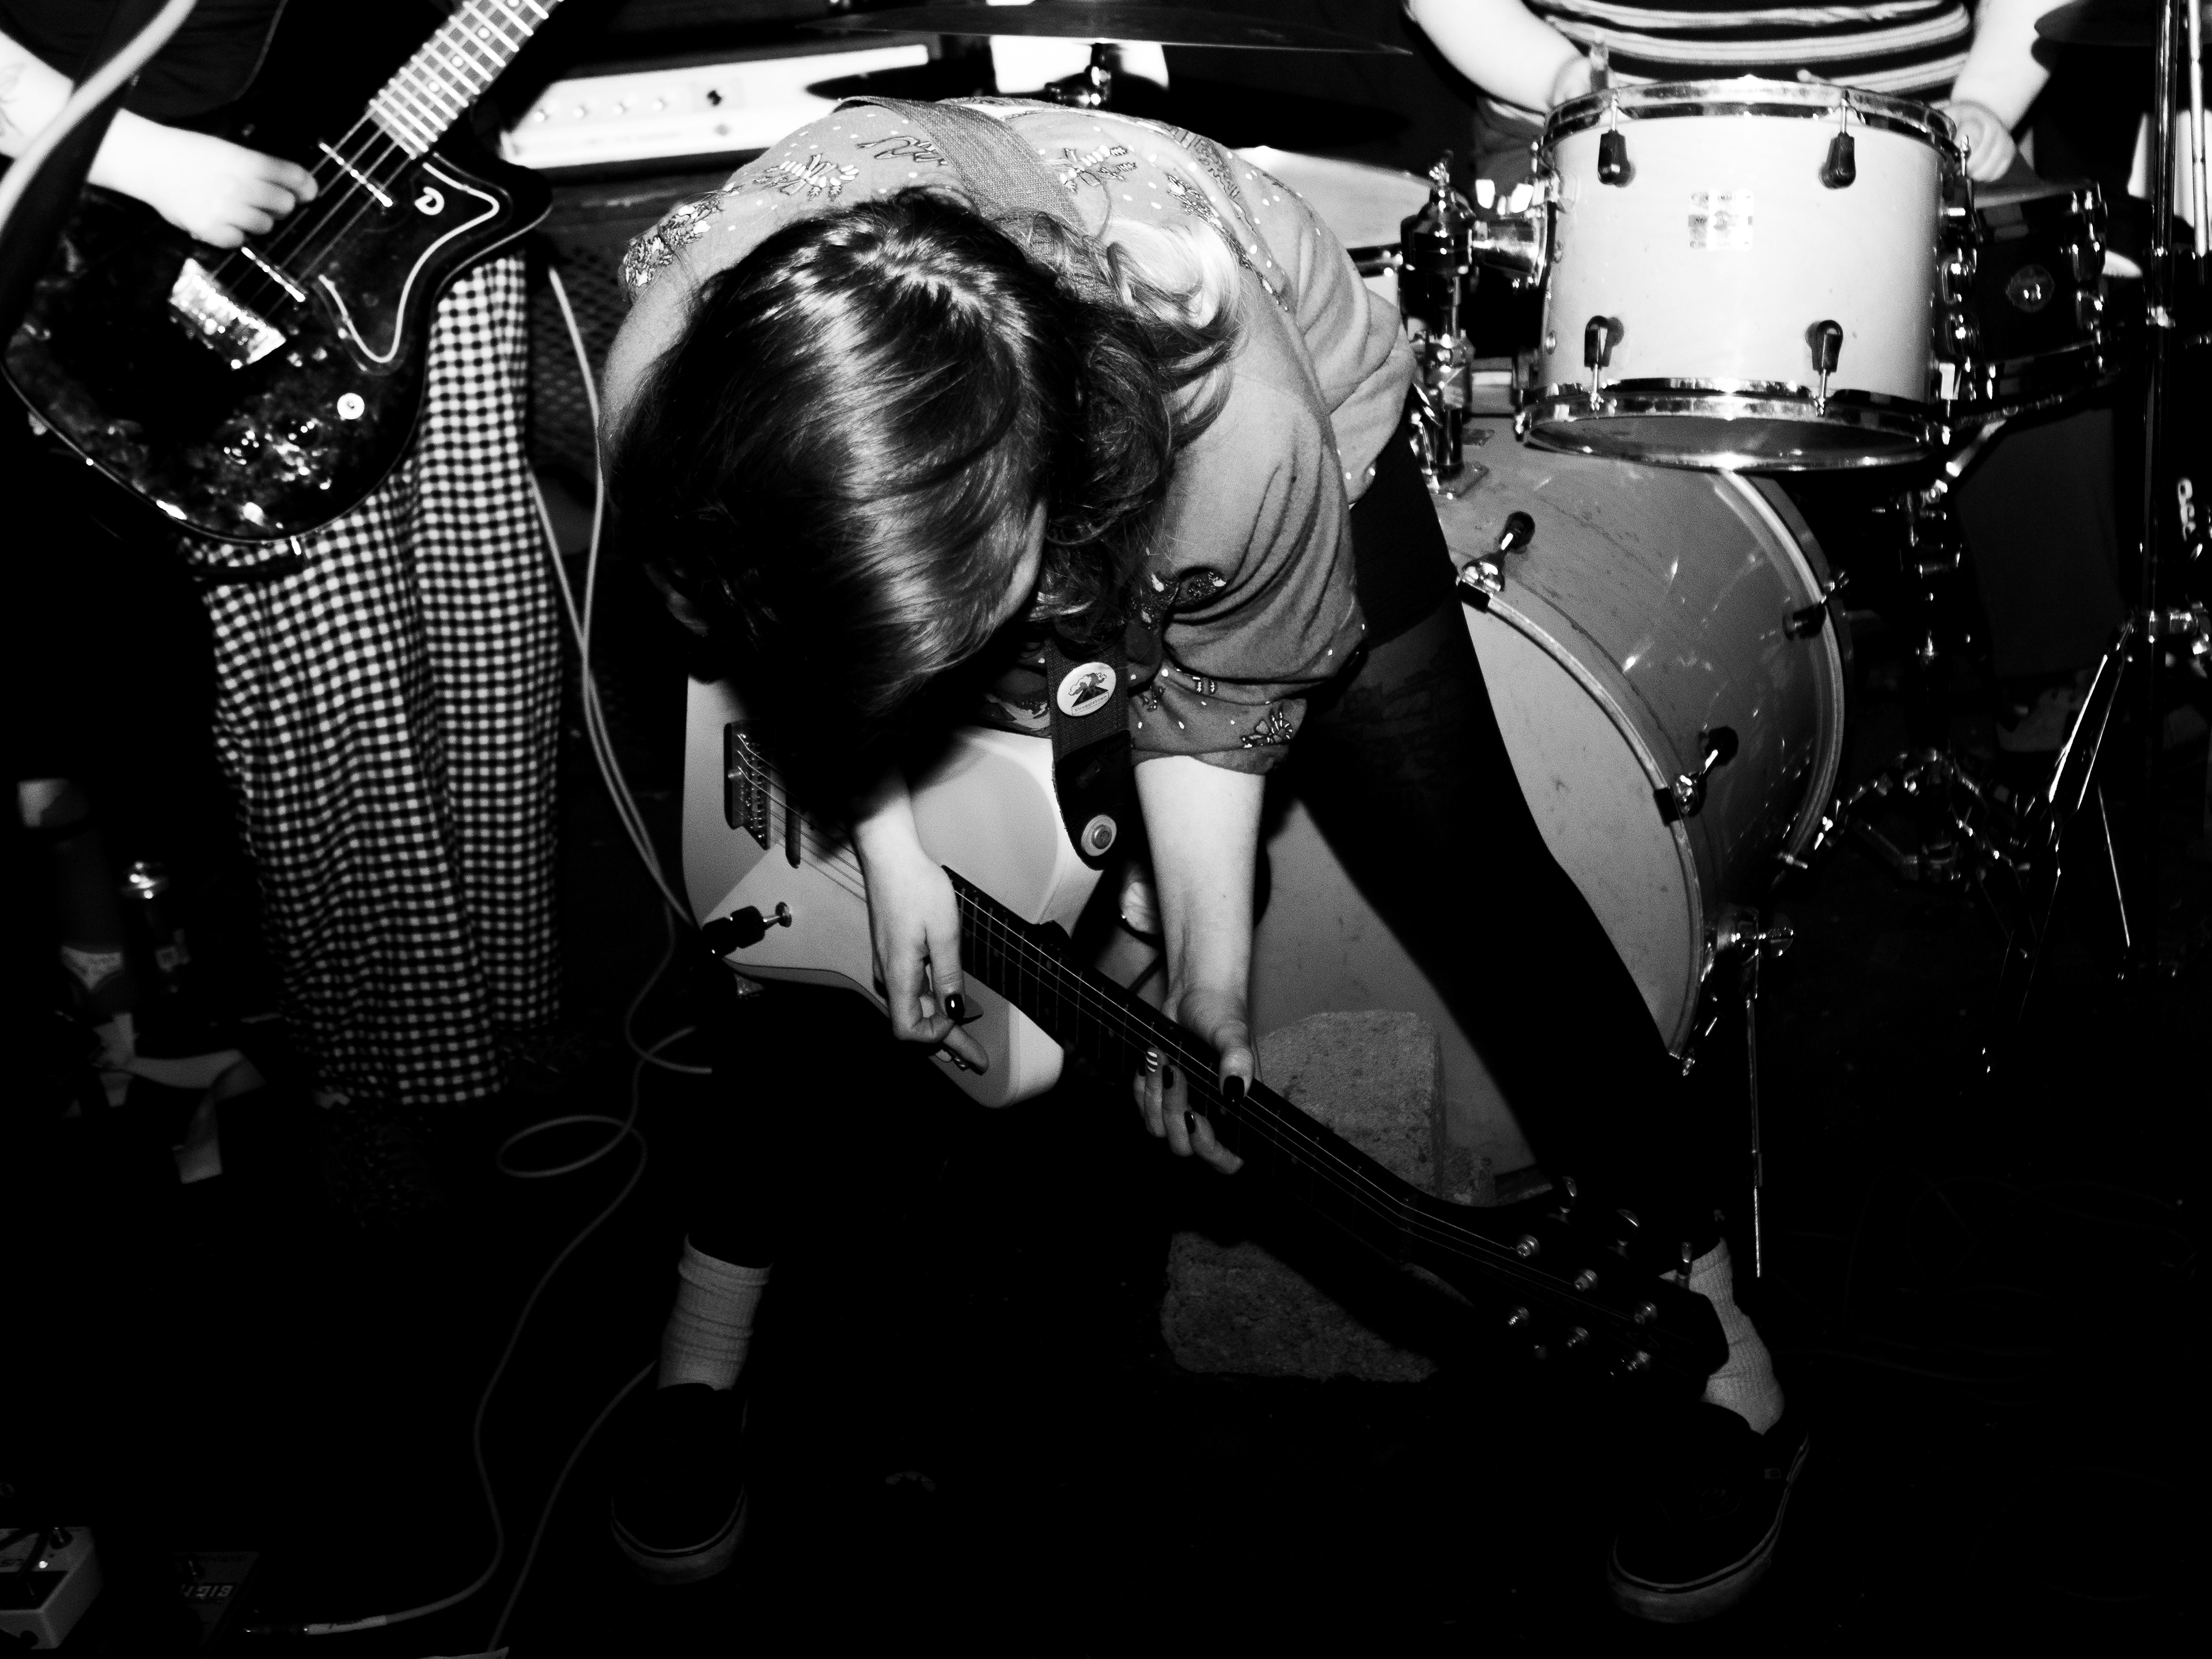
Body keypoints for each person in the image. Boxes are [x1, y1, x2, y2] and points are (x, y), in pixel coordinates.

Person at [602, 95, 1797, 1621]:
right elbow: (782, 655)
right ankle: (701, 1351)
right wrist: (886, 841)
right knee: (800, 949)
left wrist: (1211, 991)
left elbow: (1219, 707)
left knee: (1473, 879)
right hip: (931, 503)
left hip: (1249, 413)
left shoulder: (1233, 415)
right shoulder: (674, 393)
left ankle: (1724, 1349)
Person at [1, 4, 560, 1218]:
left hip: (422, 162)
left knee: (487, 645)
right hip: (178, 228)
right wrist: (141, 157)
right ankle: (373, 1079)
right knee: (332, 701)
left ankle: (500, 1023)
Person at [1404, 0, 2130, 749]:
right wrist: (1557, 76)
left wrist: (1985, 101)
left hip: (1917, 135)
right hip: (1607, 131)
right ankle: (1617, 668)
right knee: (1604, 363)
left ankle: (2057, 671)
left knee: (2043, 320)